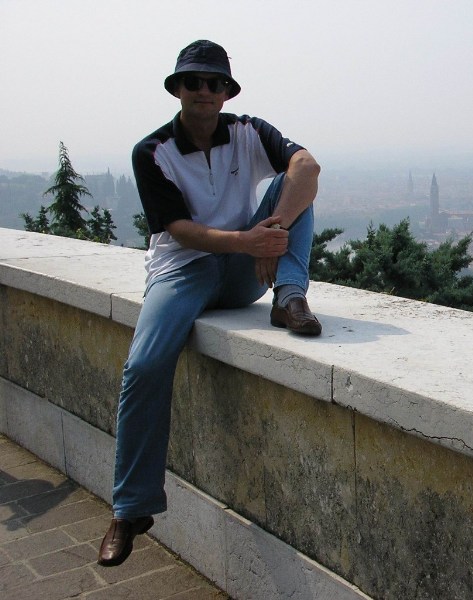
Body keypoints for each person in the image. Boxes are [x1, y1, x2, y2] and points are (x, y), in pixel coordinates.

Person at [98, 39, 322, 567]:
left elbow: (307, 167)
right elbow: (178, 230)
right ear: (178, 89)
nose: (204, 91)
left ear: (227, 92)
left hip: (244, 269)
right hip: (184, 270)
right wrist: (249, 242)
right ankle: (130, 508)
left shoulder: (248, 132)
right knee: (144, 365)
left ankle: (289, 297)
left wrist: (273, 229)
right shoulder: (153, 152)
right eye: (194, 82)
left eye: (214, 82)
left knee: (297, 186)